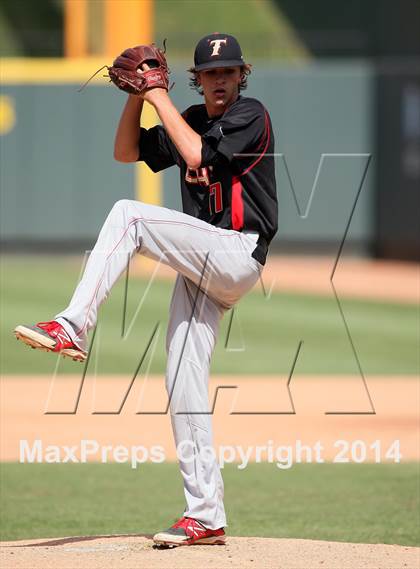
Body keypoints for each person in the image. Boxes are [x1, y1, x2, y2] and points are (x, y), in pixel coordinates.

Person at [14, 33, 278, 547]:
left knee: (128, 214)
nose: (220, 80)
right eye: (210, 73)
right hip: (205, 263)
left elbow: (198, 152)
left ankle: (72, 324)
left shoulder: (252, 114)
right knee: (182, 377)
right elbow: (125, 151)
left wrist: (158, 95)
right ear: (196, 79)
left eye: (228, 72)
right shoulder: (191, 117)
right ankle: (206, 514)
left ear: (241, 76)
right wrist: (138, 97)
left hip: (237, 251)